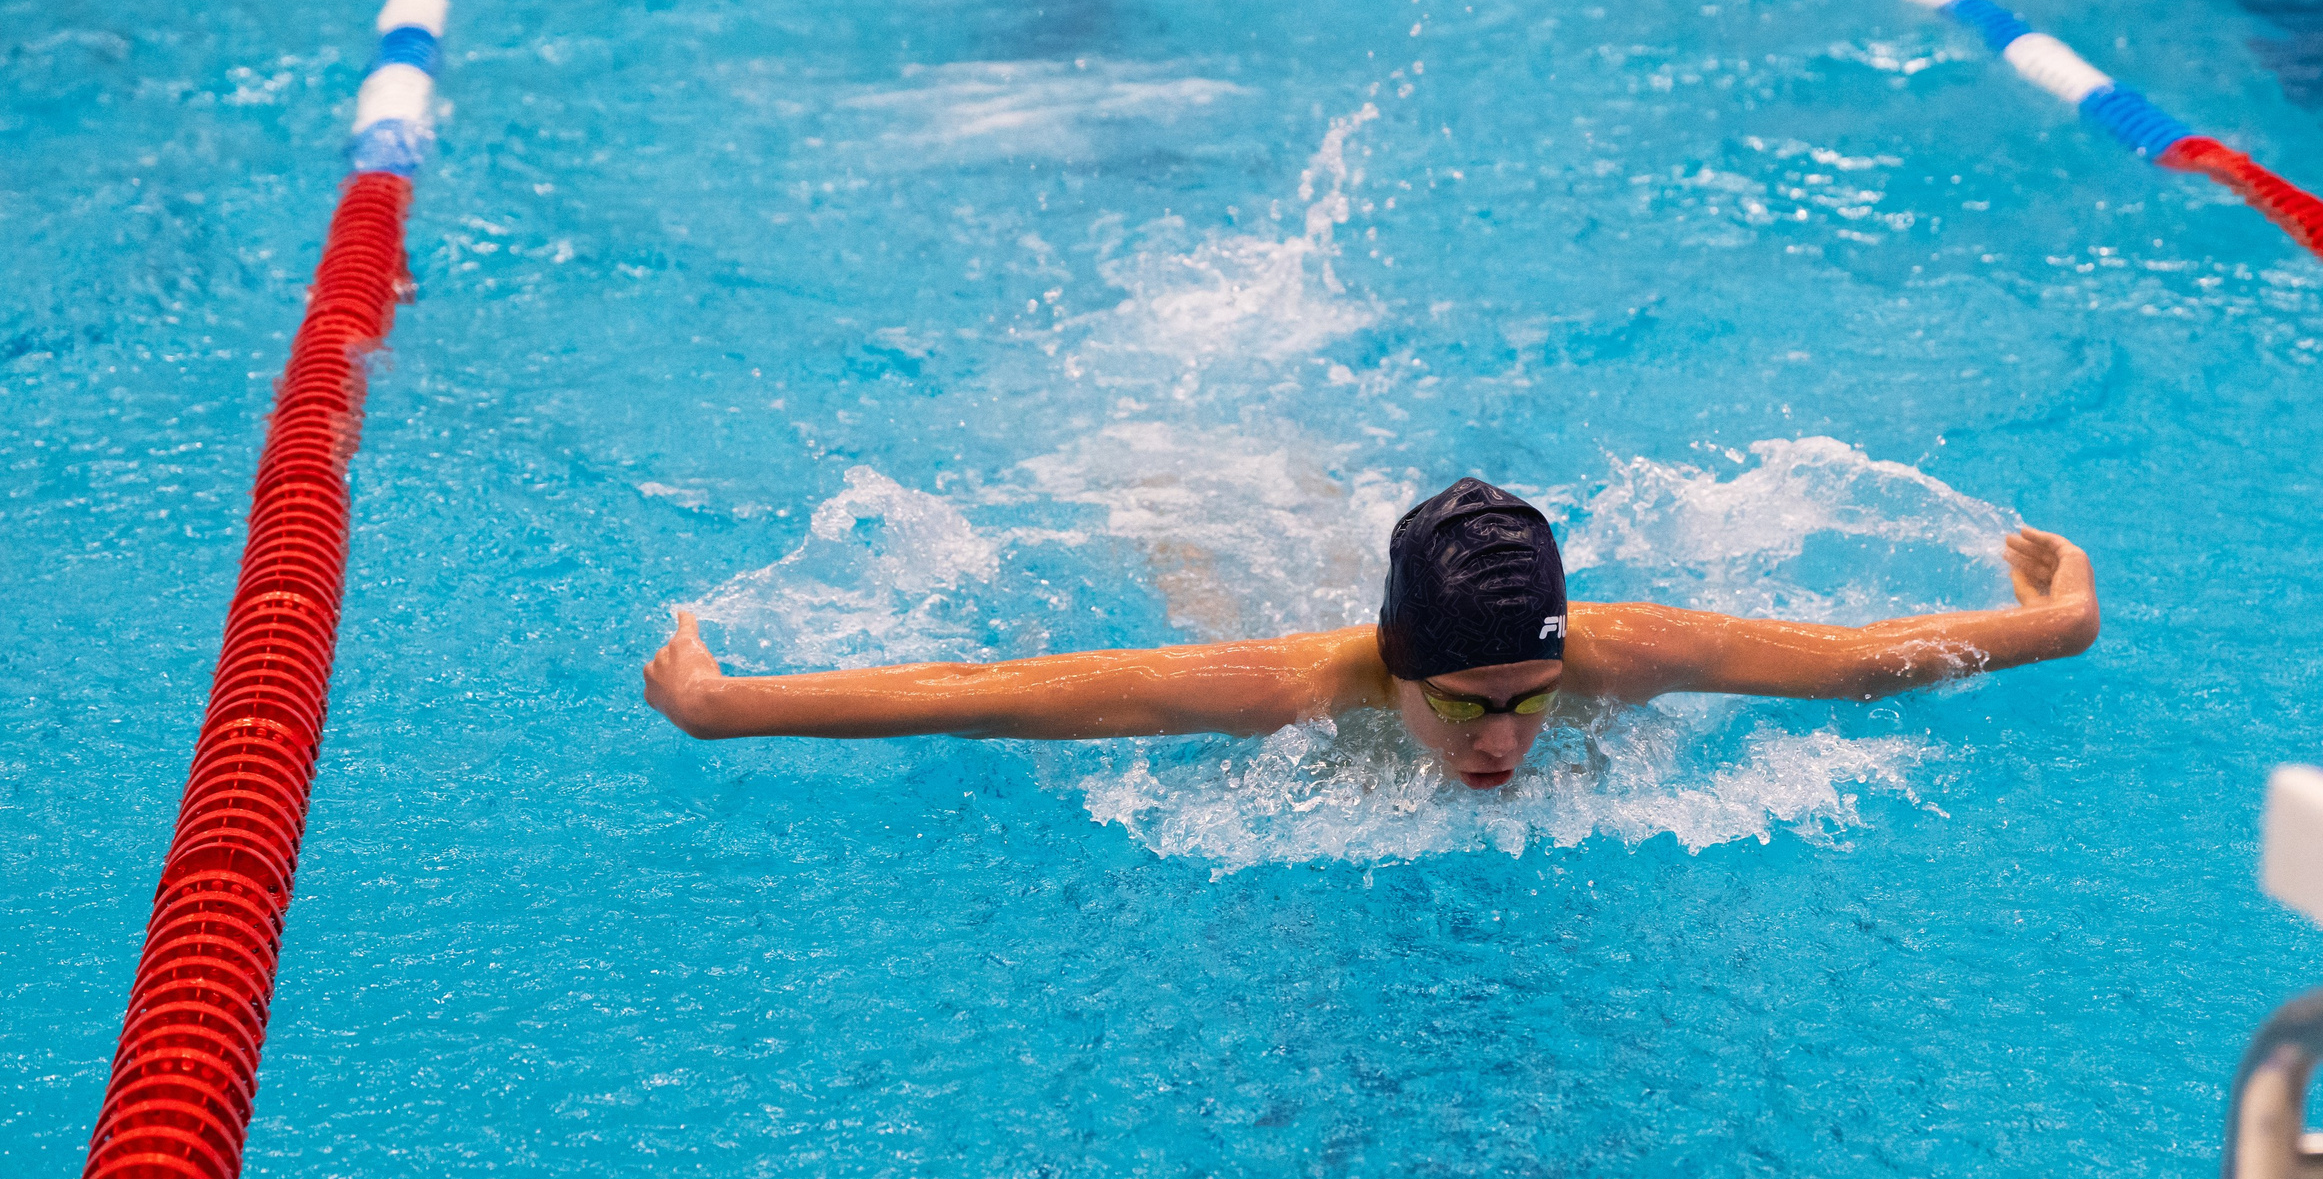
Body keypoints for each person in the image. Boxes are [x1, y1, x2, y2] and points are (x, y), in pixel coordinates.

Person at [643, 478, 2100, 790]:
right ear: (1398, 668)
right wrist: (728, 704)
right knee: (1204, 552)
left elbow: (1852, 660)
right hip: (1262, 610)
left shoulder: (1615, 652)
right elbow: (991, 692)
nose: (1514, 737)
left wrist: (2064, 619)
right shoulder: (1290, 687)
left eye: (1533, 693)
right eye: (1470, 707)